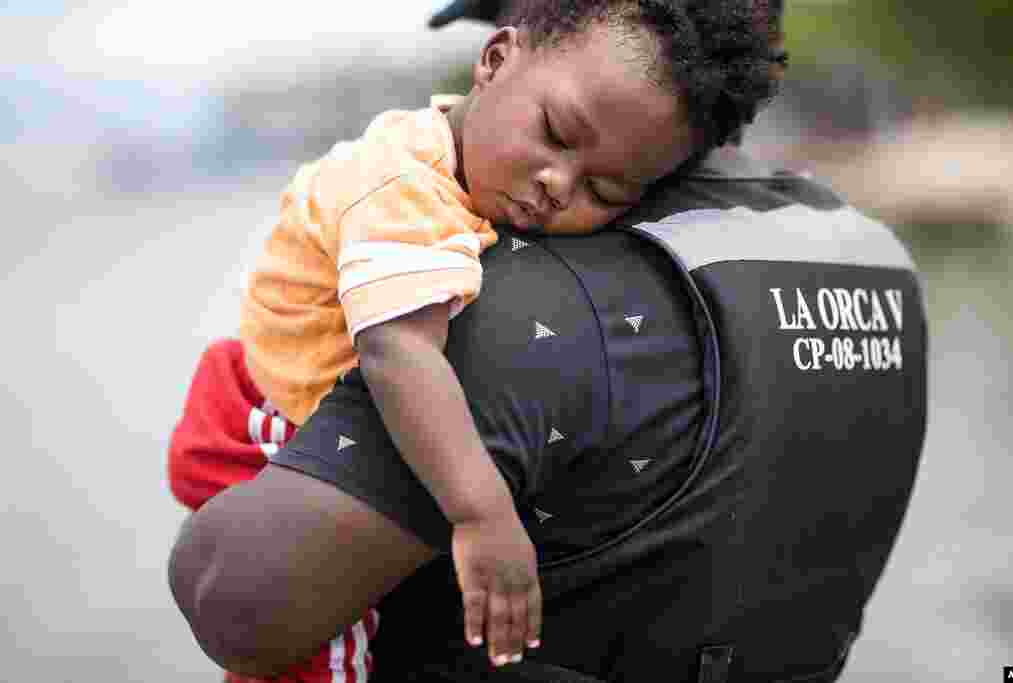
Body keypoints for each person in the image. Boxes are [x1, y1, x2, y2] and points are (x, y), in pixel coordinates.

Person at [169, 1, 928, 681]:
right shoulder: (875, 260)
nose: (554, 185)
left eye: (600, 183)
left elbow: (238, 605)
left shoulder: (524, 303)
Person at [236, 0, 779, 667]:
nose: (558, 184)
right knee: (332, 653)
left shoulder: (469, 152)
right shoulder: (405, 188)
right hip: (270, 412)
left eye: (605, 192)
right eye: (555, 133)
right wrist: (482, 514)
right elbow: (399, 350)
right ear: (494, 60)